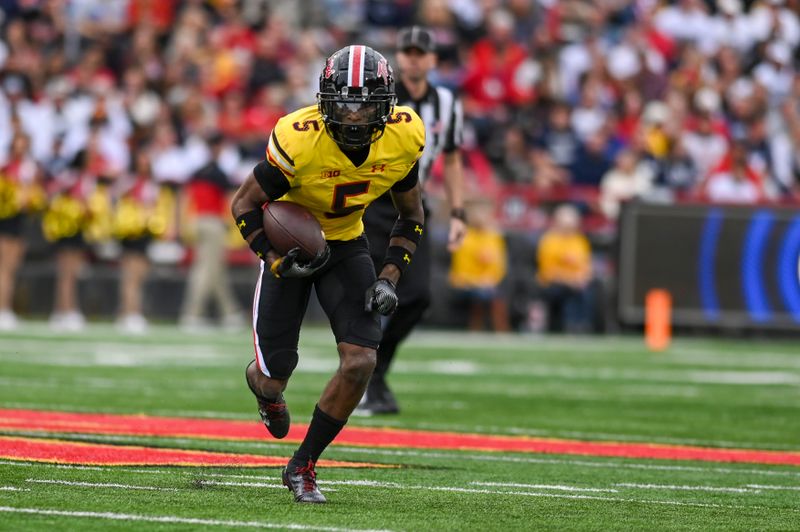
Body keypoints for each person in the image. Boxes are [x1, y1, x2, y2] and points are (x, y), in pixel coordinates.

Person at [230, 45, 425, 503]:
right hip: (290, 250)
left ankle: (304, 465)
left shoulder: (404, 136)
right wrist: (276, 260)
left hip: (346, 245)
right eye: (344, 104)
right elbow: (243, 205)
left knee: (360, 361)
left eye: (364, 105)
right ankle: (265, 391)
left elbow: (411, 215)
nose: (355, 117)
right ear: (324, 101)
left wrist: (389, 278)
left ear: (386, 105)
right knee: (275, 373)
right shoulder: (298, 140)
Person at [358, 26, 466, 415]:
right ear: (398, 58)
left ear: (433, 59)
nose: (414, 59)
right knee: (366, 294)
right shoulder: (382, 98)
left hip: (413, 207)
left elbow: (451, 159)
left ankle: (377, 371)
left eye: (421, 53)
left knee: (418, 296)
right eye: (408, 52)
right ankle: (361, 378)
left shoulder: (447, 103)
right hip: (372, 205)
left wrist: (458, 211)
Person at [180, 132, 245, 331]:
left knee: (215, 269)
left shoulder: (198, 171)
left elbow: (187, 198)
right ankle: (192, 314)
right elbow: (229, 201)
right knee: (207, 270)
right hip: (213, 223)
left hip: (196, 220)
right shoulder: (219, 173)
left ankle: (231, 313)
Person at [448, 199, 510, 332]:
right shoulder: (463, 237)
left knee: (494, 293)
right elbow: (460, 271)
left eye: (485, 214)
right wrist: (477, 282)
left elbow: (499, 266)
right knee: (481, 294)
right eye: (478, 214)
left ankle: (501, 330)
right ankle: (476, 328)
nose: (481, 217)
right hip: (465, 282)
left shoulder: (494, 237)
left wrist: (490, 280)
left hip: (488, 283)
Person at [536, 204, 593, 333]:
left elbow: (586, 266)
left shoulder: (580, 240)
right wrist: (570, 280)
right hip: (553, 283)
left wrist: (582, 278)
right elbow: (548, 271)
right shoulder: (549, 240)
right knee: (564, 290)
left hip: (576, 282)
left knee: (588, 289)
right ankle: (567, 325)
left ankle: (583, 326)